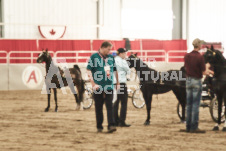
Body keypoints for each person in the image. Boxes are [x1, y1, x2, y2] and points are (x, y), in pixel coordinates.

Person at [87, 41, 120, 133]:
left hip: (109, 86)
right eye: (108, 49)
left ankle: (111, 125)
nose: (109, 51)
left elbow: (115, 70)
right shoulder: (94, 57)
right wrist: (93, 83)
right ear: (103, 47)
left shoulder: (111, 57)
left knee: (110, 106)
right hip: (98, 86)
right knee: (98, 107)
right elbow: (89, 70)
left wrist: (117, 82)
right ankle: (99, 126)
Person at [182, 38, 214, 133]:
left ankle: (188, 126)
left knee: (189, 104)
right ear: (199, 46)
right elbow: (203, 72)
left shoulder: (187, 56)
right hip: (196, 81)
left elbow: (187, 67)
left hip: (188, 81)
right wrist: (209, 71)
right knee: (195, 105)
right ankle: (194, 126)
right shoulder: (200, 57)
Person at [113, 48, 131, 127]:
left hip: (113, 84)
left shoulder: (113, 60)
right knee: (124, 103)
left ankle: (115, 121)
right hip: (122, 84)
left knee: (115, 103)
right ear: (120, 54)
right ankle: (122, 121)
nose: (125, 55)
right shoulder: (123, 61)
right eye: (124, 53)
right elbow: (128, 71)